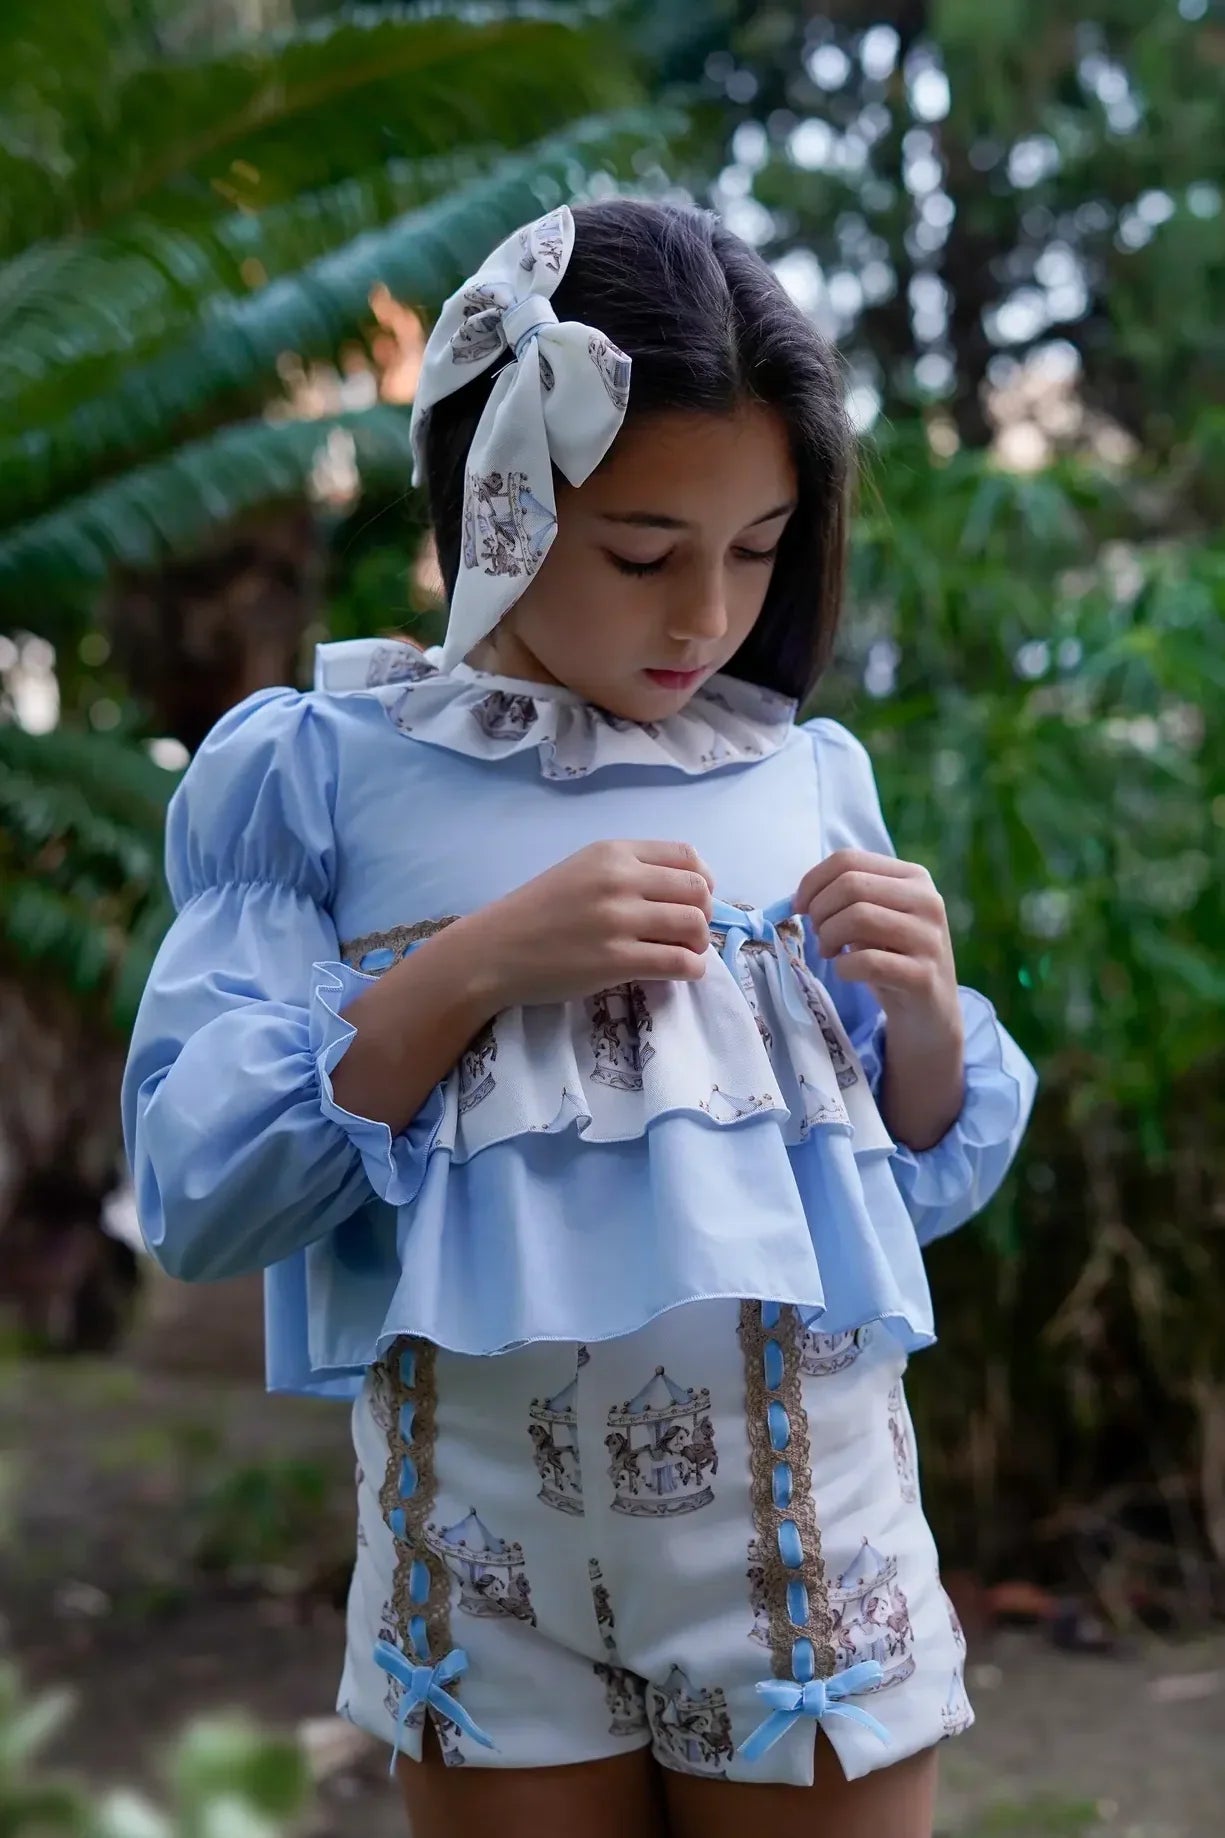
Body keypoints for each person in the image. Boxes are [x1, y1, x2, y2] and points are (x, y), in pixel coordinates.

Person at [122, 199, 1037, 1838]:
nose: (706, 617)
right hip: (481, 1573)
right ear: (497, 503)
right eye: (642, 552)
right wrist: (469, 966)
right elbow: (202, 1193)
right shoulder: (319, 777)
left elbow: (904, 1181)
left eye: (757, 547)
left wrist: (921, 1014)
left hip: (802, 1552)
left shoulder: (803, 778)